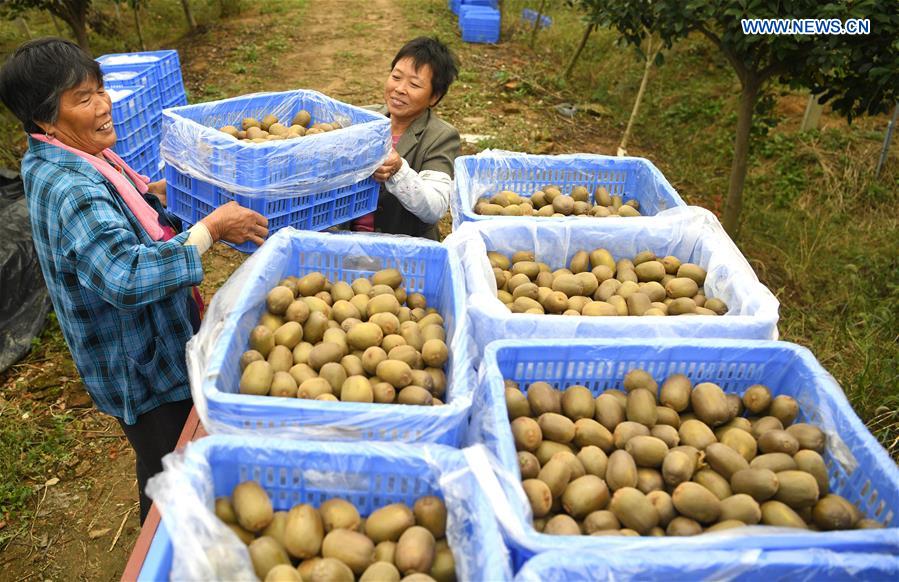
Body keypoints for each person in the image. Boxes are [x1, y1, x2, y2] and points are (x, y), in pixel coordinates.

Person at [0, 38, 269, 523]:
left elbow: (125, 202)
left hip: (149, 341)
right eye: (83, 99)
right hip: (138, 363)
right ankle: (163, 551)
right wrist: (210, 230)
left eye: (100, 90)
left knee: (159, 462)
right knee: (170, 467)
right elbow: (124, 275)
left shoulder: (66, 154)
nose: (104, 105)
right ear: (44, 117)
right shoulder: (71, 187)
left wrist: (159, 192)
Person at [354, 37, 461, 240]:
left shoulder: (441, 137)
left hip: (403, 250)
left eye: (414, 84)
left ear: (434, 97)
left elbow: (435, 206)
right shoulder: (364, 119)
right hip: (345, 241)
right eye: (396, 77)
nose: (400, 89)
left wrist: (399, 170)